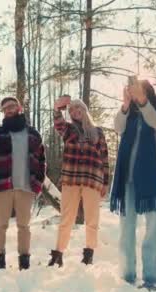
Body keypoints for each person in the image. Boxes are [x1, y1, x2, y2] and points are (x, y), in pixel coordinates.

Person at [110, 77, 156, 291]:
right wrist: (125, 104)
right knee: (127, 228)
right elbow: (117, 127)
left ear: (147, 91)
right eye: (132, 90)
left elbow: (155, 122)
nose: (134, 93)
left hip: (152, 179)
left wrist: (143, 101)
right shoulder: (128, 113)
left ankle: (154, 279)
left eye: (139, 90)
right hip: (127, 179)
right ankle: (127, 276)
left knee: (154, 228)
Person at [0, 97, 46, 271]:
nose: (8, 109)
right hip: (4, 186)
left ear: (19, 108)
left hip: (26, 187)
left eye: (12, 106)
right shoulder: (0, 133)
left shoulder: (32, 133)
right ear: (3, 112)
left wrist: (38, 183)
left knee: (24, 226)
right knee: (1, 225)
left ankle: (24, 260)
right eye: (5, 108)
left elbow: (41, 160)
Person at [47, 97, 109, 267]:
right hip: (71, 178)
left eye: (78, 108)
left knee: (92, 219)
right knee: (67, 217)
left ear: (84, 110)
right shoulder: (68, 130)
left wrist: (105, 182)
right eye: (72, 110)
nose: (75, 112)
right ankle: (58, 253)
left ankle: (89, 253)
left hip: (92, 179)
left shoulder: (98, 132)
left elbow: (104, 158)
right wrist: (56, 108)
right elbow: (58, 123)